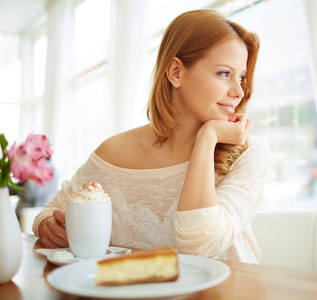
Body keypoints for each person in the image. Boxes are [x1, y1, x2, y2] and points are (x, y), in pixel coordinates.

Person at [33, 9, 271, 264]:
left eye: (242, 77)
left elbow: (202, 246)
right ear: (176, 72)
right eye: (225, 74)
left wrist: (208, 137)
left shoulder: (249, 153)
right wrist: (49, 227)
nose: (239, 91)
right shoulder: (113, 153)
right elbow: (48, 212)